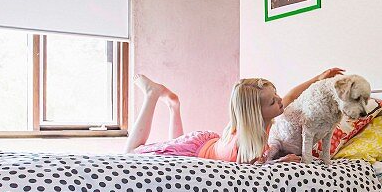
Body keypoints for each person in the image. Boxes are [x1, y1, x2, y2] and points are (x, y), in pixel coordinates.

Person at [125, 68, 345, 164]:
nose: (280, 101)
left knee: (173, 146)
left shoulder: (267, 116)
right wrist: (283, 162)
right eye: (272, 101)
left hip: (205, 143)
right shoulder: (246, 143)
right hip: (198, 150)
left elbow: (291, 95)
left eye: (276, 94)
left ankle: (174, 106)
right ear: (256, 114)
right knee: (131, 153)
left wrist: (318, 78)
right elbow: (251, 168)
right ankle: (152, 95)